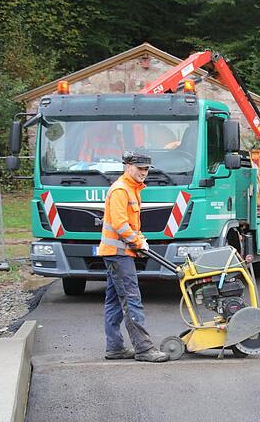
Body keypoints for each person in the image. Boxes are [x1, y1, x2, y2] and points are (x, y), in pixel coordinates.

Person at [97, 150, 168, 362]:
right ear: (128, 166)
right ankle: (144, 349)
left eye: (146, 169)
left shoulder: (132, 189)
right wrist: (137, 242)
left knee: (114, 302)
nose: (144, 173)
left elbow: (131, 224)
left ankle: (115, 348)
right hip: (118, 254)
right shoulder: (121, 190)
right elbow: (120, 224)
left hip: (118, 253)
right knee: (131, 299)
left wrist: (140, 239)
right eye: (140, 168)